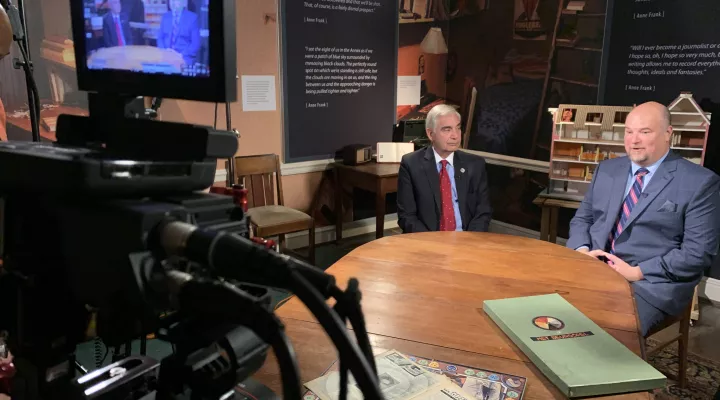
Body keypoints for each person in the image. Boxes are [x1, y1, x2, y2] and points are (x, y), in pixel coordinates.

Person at [567, 101, 720, 336]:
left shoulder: (699, 182)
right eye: (629, 131)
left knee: (605, 338)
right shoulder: (607, 169)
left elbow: (697, 253)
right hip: (592, 269)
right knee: (543, 316)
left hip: (649, 284)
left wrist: (637, 272)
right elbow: (582, 219)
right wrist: (581, 251)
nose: (634, 140)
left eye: (644, 132)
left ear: (668, 133)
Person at [397, 104, 492, 233]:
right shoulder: (411, 164)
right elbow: (407, 217)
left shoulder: (475, 164)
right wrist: (433, 243)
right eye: (447, 129)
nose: (455, 136)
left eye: (458, 128)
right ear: (431, 134)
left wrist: (470, 241)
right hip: (428, 241)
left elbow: (483, 212)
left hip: (467, 240)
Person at [157, 0, 201, 67]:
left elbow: (195, 43)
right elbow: (160, 38)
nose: (173, 2)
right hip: (166, 56)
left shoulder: (192, 18)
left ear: (183, 3)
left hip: (184, 57)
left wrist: (181, 55)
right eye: (171, 0)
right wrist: (164, 51)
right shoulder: (165, 17)